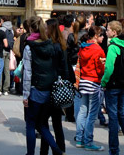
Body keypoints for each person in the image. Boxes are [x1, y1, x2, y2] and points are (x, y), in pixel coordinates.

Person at [22, 14, 66, 155]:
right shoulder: (50, 45)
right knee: (42, 124)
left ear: (30, 28)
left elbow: (27, 73)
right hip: (49, 89)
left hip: (36, 89)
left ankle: (30, 153)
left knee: (31, 123)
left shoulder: (29, 47)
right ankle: (56, 149)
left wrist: (25, 95)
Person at [101, 20, 124, 155]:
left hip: (113, 86)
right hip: (123, 84)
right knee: (123, 116)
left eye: (108, 29)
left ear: (114, 32)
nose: (106, 32)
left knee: (113, 119)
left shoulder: (113, 47)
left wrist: (104, 82)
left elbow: (109, 67)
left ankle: (114, 150)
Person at [75, 25, 105, 151]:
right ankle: (88, 141)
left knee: (83, 111)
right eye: (102, 35)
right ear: (96, 36)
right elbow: (101, 68)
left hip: (83, 81)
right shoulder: (98, 50)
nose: (103, 38)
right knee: (92, 114)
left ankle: (79, 139)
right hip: (93, 82)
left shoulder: (82, 47)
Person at [41, 20, 68, 155]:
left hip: (48, 87)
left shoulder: (49, 46)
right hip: (58, 88)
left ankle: (44, 150)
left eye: (46, 28)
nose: (44, 30)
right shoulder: (61, 46)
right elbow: (65, 68)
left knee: (44, 123)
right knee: (57, 123)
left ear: (50, 29)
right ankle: (61, 148)